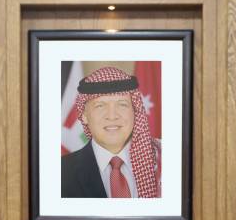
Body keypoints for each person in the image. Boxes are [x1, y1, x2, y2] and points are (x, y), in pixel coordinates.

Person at [60, 67, 161, 199]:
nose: (112, 116)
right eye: (100, 106)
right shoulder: (60, 172)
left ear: (135, 111)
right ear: (84, 115)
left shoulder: (162, 162)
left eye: (122, 104)